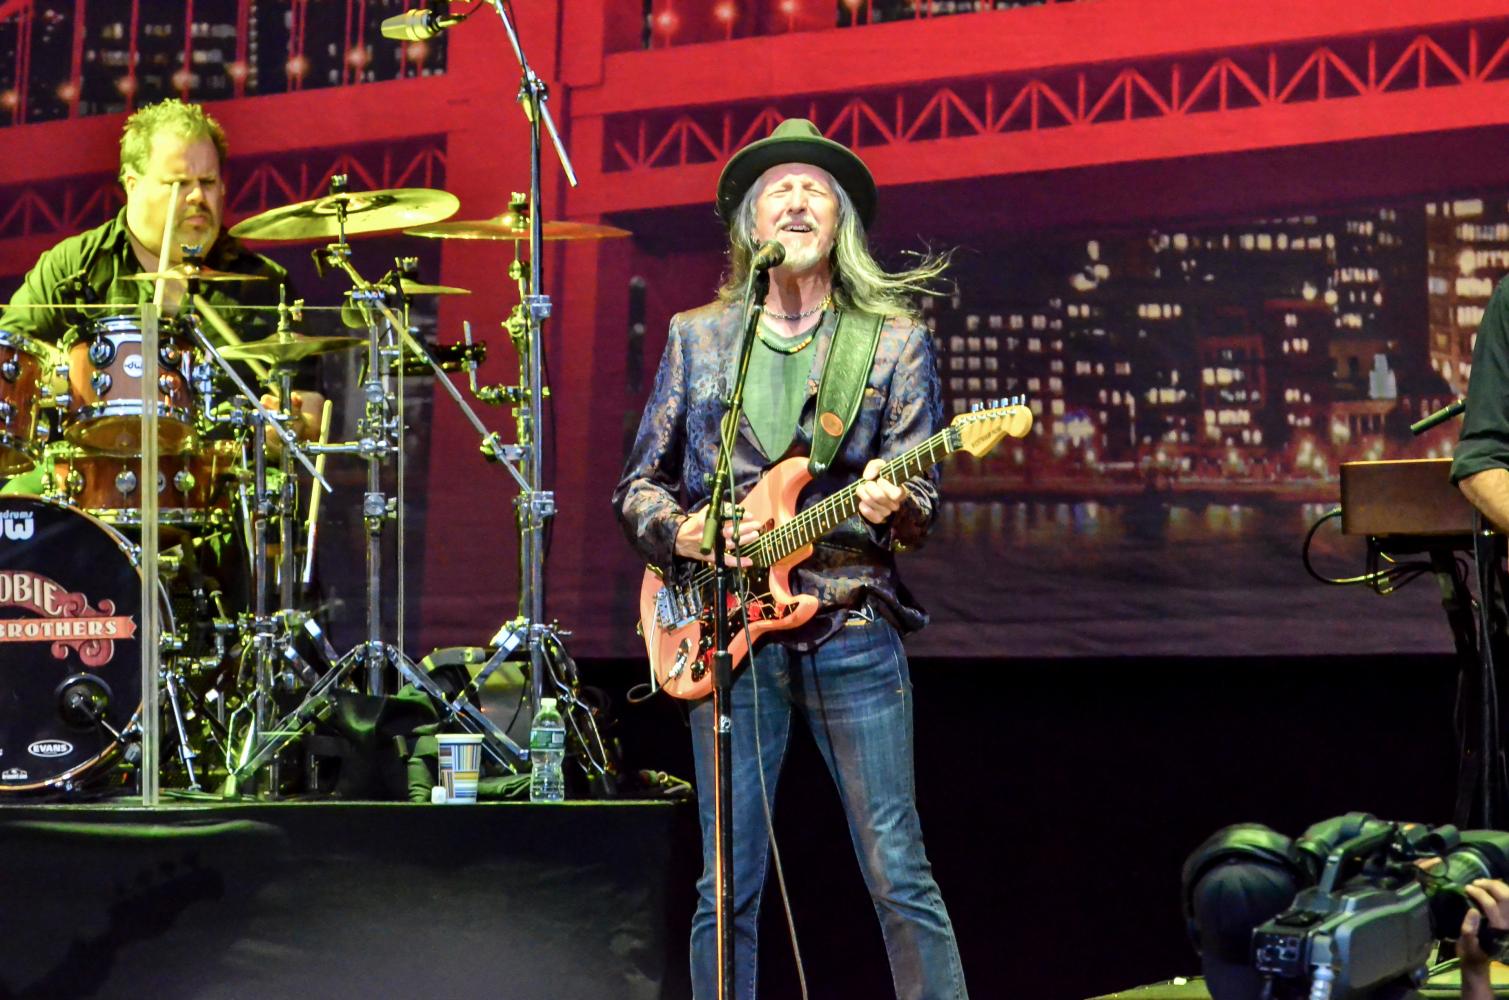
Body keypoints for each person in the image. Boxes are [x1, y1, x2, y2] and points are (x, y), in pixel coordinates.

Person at [612, 118, 967, 999]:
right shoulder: (699, 338)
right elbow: (638, 489)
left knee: (897, 867)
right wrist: (690, 533)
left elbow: (919, 503)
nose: (799, 200)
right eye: (780, 188)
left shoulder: (891, 339)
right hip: (723, 626)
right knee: (724, 883)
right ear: (749, 226)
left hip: (848, 616)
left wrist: (895, 503)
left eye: (817, 189)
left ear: (840, 221)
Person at [0, 97, 323, 461]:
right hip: (90, 492)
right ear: (132, 184)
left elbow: (308, 402)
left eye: (209, 181)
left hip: (224, 497)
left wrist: (294, 422)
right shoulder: (73, 269)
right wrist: (64, 375)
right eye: (178, 183)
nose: (198, 196)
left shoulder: (261, 284)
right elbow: (9, 363)